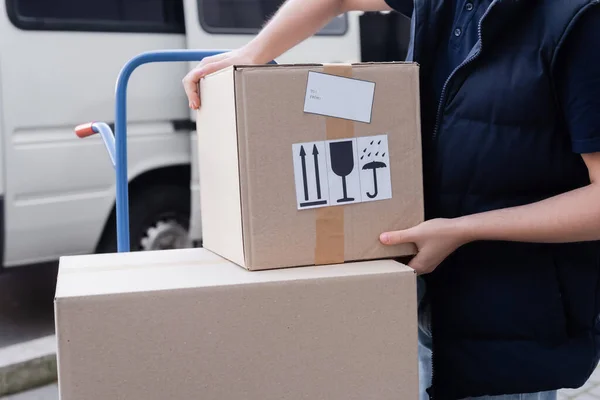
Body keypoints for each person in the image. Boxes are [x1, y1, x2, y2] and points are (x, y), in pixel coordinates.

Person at [183, 0, 600, 399]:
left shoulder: (580, 19)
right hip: (425, 297)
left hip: (512, 317)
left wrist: (462, 231)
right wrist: (254, 53)